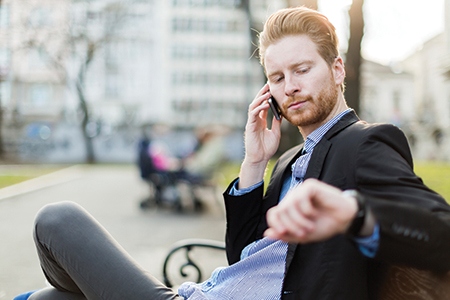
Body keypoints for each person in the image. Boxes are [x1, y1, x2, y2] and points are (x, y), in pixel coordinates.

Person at [16, 6, 450, 300]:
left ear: (337, 70)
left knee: (57, 220)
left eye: (302, 70)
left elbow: (440, 232)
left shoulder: (365, 142)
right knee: (50, 298)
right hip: (202, 292)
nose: (290, 86)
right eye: (276, 77)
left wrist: (353, 211)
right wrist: (254, 163)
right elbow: (243, 260)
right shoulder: (288, 161)